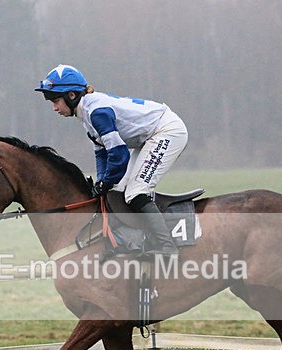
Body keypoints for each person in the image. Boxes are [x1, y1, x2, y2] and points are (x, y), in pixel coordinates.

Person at [35, 64, 188, 257]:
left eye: (56, 101)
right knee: (117, 191)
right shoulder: (86, 113)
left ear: (71, 95)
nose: (55, 108)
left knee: (136, 192)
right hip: (149, 137)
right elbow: (102, 153)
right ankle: (130, 244)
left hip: (167, 131)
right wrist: (102, 182)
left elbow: (119, 155)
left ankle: (167, 247)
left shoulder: (96, 113)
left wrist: (105, 182)